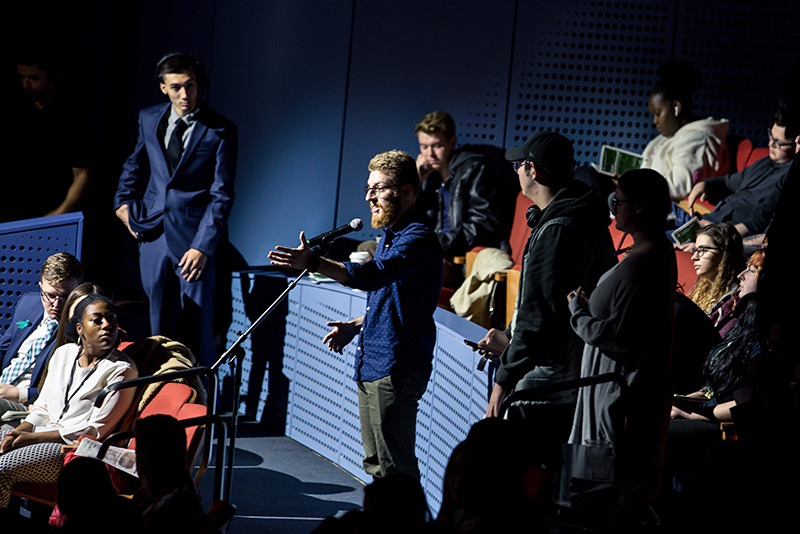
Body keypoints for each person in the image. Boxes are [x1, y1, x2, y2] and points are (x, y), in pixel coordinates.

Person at [268, 150, 443, 480]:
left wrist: (315, 263)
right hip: (374, 362)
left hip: (395, 366)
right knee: (376, 466)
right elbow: (397, 301)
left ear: (406, 191)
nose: (369, 197)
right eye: (368, 188)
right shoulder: (391, 236)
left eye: (378, 188)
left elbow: (374, 275)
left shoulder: (417, 238)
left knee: (395, 472)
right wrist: (356, 325)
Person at [476, 131, 616, 473]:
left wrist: (503, 380)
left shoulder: (557, 229)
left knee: (518, 480)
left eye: (518, 164)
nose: (515, 171)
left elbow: (538, 320)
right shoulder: (581, 214)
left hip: (550, 381)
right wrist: (509, 339)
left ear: (533, 170)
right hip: (570, 371)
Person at [114, 51, 237, 368]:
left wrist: (202, 247)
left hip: (194, 242)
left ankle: (197, 403)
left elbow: (221, 195)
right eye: (177, 87)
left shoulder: (221, 129)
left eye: (191, 86)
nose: (185, 94)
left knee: (197, 328)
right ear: (163, 87)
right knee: (156, 326)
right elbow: (135, 164)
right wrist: (122, 203)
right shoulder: (149, 117)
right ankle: (156, 402)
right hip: (153, 235)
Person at [567, 168, 677, 505]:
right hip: (608, 392)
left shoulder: (643, 264)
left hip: (614, 400)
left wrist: (577, 312)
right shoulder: (652, 254)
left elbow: (620, 334)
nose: (614, 208)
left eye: (620, 201)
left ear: (640, 207)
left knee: (599, 497)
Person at [0, 294, 137, 508]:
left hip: (71, 451)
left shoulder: (122, 371)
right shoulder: (63, 353)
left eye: (112, 319)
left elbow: (94, 431)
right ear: (80, 328)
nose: (107, 325)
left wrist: (31, 438)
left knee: (2, 469)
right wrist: (21, 430)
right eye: (97, 320)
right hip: (40, 431)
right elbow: (43, 406)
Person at [4, 52, 92, 223]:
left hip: (51, 211)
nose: (26, 84)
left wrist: (60, 211)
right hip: (15, 210)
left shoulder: (72, 115)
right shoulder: (16, 107)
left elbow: (83, 174)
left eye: (33, 78)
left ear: (51, 77)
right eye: (22, 77)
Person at [684, 107, 798, 239]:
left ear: (797, 144)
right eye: (771, 136)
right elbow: (727, 182)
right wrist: (703, 185)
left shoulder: (788, 177)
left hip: (723, 232)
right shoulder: (765, 162)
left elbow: (760, 221)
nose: (771, 143)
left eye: (779, 143)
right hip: (708, 222)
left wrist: (719, 236)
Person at [414, 111, 499, 284]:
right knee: (367, 249)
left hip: (458, 260)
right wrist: (416, 183)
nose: (430, 154)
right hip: (432, 253)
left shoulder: (474, 169)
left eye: (437, 146)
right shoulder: (428, 176)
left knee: (408, 270)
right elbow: (411, 220)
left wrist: (436, 243)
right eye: (424, 147)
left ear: (452, 142)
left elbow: (483, 224)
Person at [0, 252, 83, 417]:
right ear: (40, 286)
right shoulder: (29, 303)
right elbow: (3, 348)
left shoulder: (80, 329)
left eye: (65, 297)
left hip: (30, 403)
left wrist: (21, 394)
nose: (56, 304)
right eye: (50, 295)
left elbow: (72, 387)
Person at [641, 59, 730, 201]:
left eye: (658, 114)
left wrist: (633, 188)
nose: (654, 121)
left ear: (677, 107)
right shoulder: (670, 135)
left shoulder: (697, 139)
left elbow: (677, 187)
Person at [686, 223, 744, 315]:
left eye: (703, 250)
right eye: (695, 250)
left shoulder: (734, 298)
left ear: (724, 254)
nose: (694, 257)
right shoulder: (703, 287)